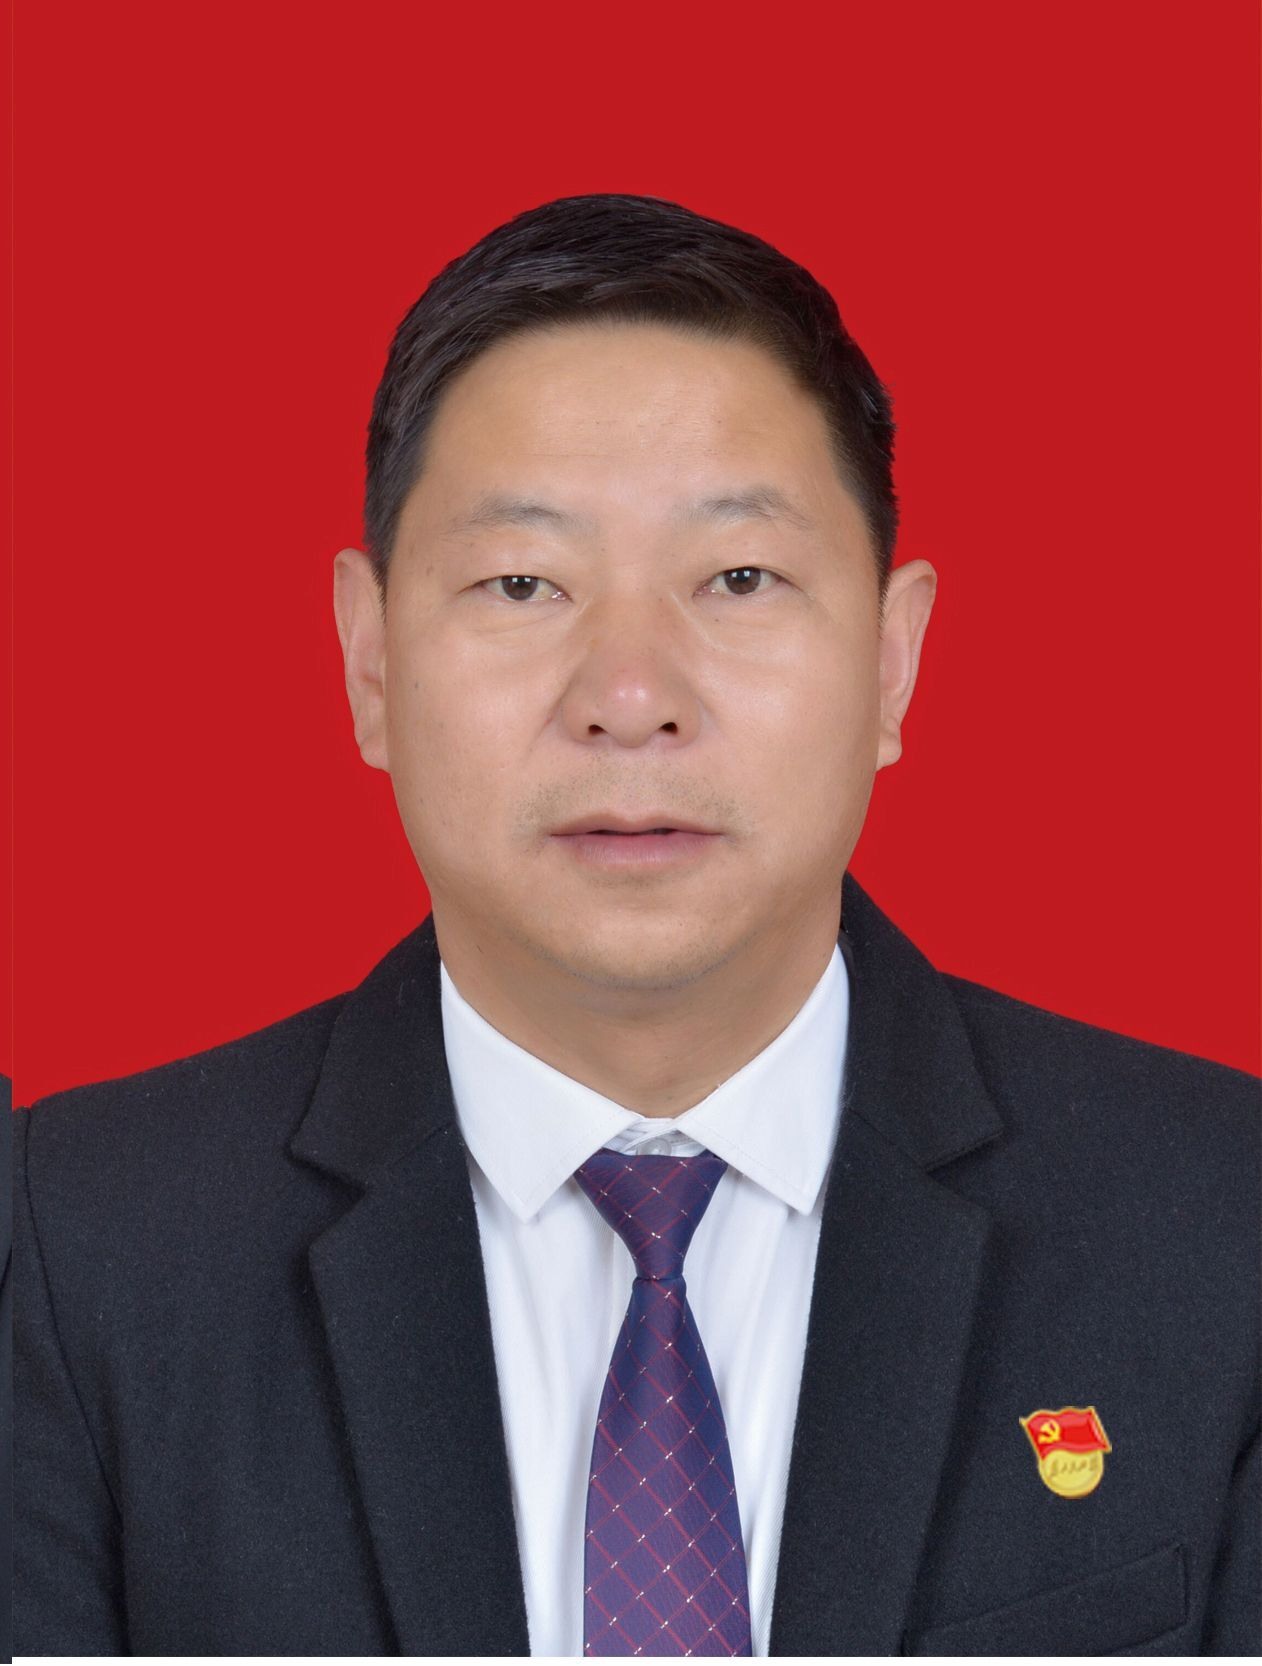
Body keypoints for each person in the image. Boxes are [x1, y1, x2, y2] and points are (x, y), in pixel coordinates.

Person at [12, 193, 1259, 1657]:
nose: (628, 694)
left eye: (738, 578)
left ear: (891, 659)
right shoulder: (77, 1245)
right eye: (521, 582)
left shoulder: (1220, 1224)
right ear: (370, 660)